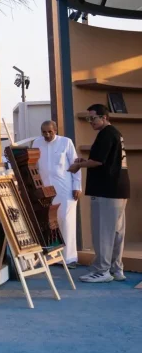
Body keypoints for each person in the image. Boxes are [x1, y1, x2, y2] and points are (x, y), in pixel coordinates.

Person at [68, 104, 130, 283]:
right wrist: (85, 161)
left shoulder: (106, 134)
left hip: (106, 190)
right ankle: (116, 269)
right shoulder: (115, 133)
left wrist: (78, 165)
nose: (90, 122)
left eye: (93, 118)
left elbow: (98, 161)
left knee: (103, 232)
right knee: (116, 233)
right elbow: (104, 160)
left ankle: (102, 270)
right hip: (118, 189)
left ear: (104, 117)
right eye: (88, 118)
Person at [32, 120, 81, 268]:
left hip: (65, 188)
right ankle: (53, 256)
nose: (47, 135)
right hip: (45, 188)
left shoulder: (66, 142)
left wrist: (77, 186)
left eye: (50, 132)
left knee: (66, 220)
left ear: (55, 130)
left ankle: (70, 258)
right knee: (49, 222)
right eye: (44, 132)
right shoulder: (37, 143)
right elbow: (33, 165)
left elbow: (75, 165)